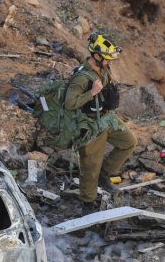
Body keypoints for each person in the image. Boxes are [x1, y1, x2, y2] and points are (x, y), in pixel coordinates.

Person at [65, 32, 137, 216]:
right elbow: (70, 103)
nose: (109, 62)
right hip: (89, 123)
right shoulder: (81, 77)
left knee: (128, 141)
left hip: (105, 117)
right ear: (96, 56)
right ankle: (87, 203)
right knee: (90, 165)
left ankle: (103, 175)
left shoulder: (103, 69)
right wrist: (92, 93)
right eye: (106, 59)